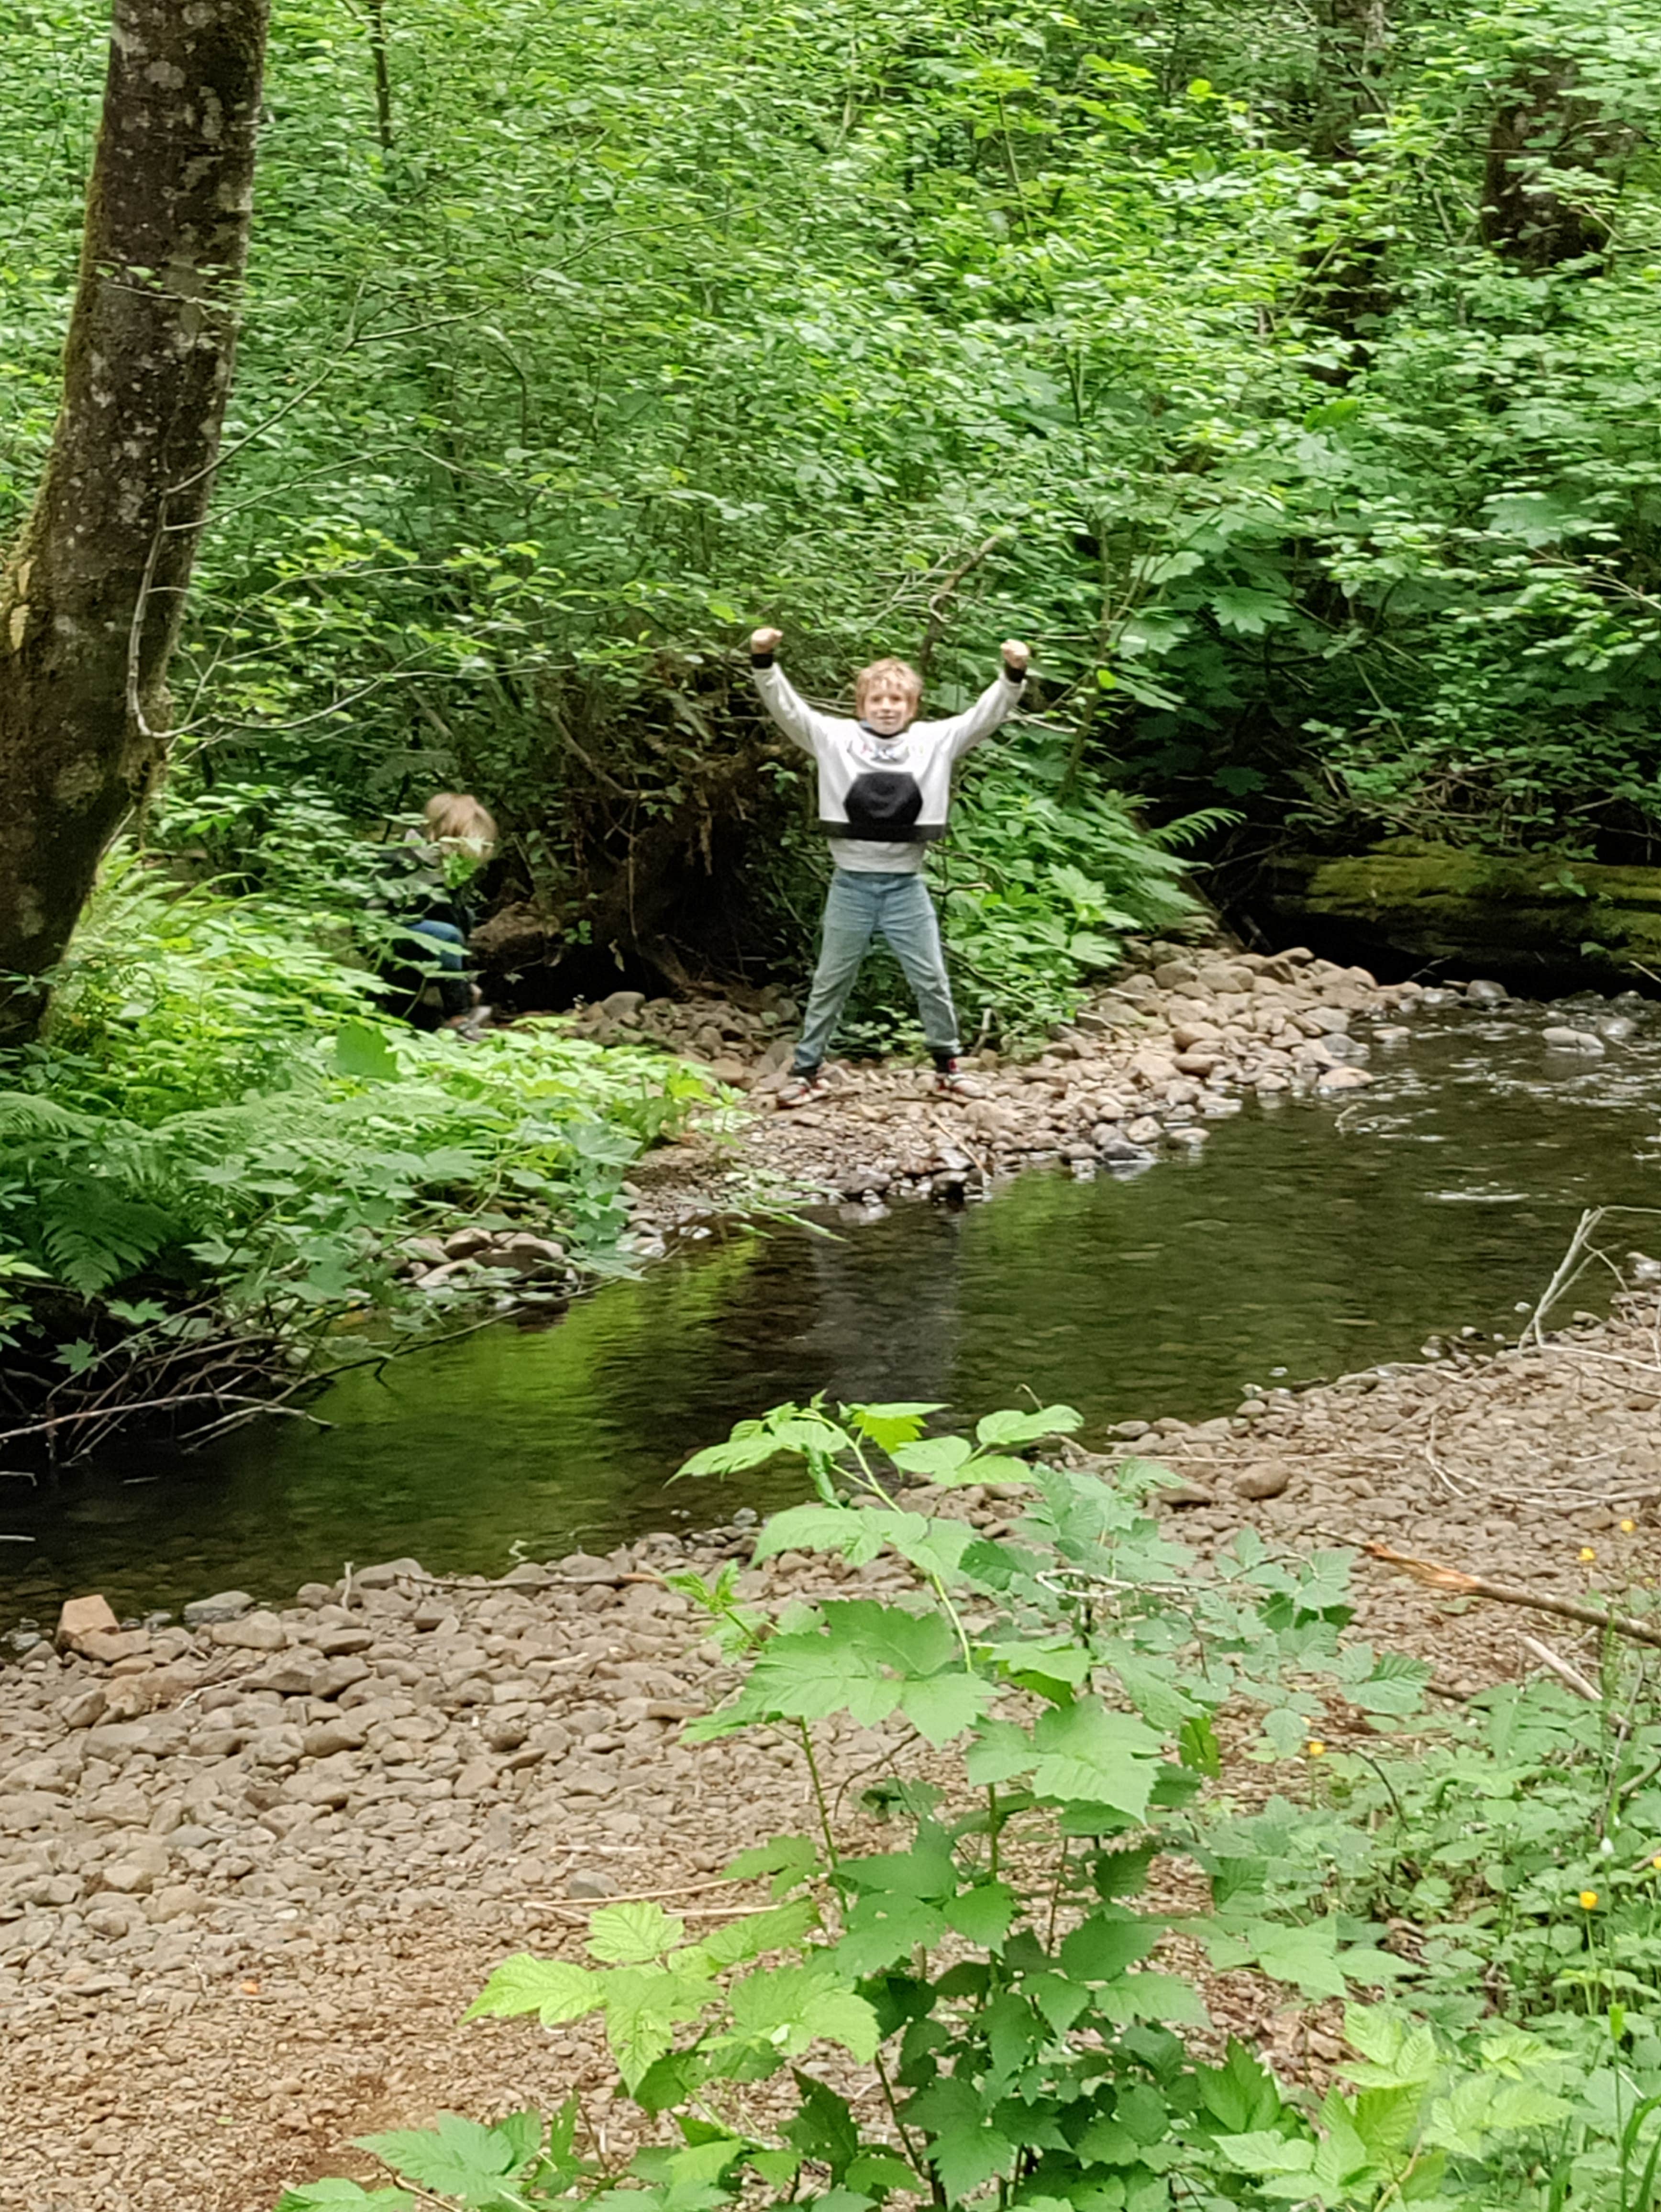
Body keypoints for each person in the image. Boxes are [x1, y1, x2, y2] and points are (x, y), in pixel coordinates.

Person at [749, 626, 1031, 1106]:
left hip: (905, 886)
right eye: (877, 699)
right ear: (861, 705)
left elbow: (984, 716)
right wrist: (763, 660)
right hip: (851, 884)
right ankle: (806, 1070)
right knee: (831, 980)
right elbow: (788, 709)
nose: (886, 707)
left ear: (912, 706)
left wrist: (1013, 673)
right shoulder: (834, 737)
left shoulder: (934, 741)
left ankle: (947, 1068)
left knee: (931, 978)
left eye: (897, 700)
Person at [389, 792, 498, 1032]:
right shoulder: (411, 857)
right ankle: (457, 1016)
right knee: (447, 934)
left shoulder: (443, 866)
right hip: (387, 931)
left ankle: (450, 998)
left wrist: (466, 980)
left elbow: (453, 916)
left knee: (465, 917)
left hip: (418, 929)